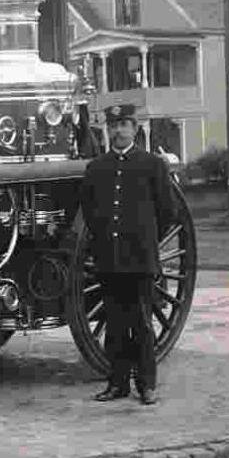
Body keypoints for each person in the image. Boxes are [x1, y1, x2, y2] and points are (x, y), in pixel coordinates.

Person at [79, 104, 176, 406]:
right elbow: (90, 213)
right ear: (107, 130)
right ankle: (117, 383)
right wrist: (103, 242)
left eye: (124, 124)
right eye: (114, 125)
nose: (119, 130)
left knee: (143, 324)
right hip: (110, 259)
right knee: (116, 325)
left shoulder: (152, 165)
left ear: (135, 128)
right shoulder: (97, 169)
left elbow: (168, 212)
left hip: (140, 259)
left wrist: (146, 240)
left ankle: (146, 385)